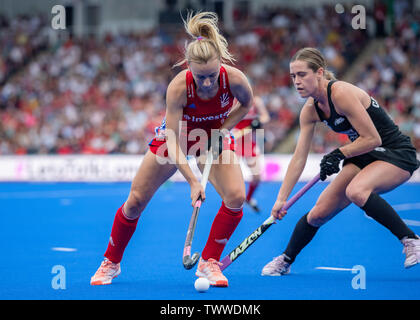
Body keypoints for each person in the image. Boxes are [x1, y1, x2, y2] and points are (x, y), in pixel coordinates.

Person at [90, 11, 253, 287]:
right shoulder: (179, 87)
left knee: (236, 196)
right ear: (188, 68)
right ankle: (111, 262)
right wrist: (192, 181)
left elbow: (246, 105)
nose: (207, 83)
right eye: (200, 77)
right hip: (177, 140)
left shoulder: (234, 79)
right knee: (135, 202)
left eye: (212, 75)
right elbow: (173, 141)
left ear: (220, 66)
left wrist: (223, 128)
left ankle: (209, 261)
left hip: (211, 138)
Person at [261, 47, 420, 276]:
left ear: (320, 73)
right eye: (293, 76)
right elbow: (299, 158)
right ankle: (285, 260)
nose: (296, 81)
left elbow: (373, 138)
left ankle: (411, 240)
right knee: (318, 213)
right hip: (364, 155)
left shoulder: (340, 93)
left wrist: (338, 154)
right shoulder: (310, 111)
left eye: (302, 74)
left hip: (395, 153)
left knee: (357, 190)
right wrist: (281, 199)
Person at [232, 95, 270, 212]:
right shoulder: (231, 101)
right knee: (233, 177)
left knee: (257, 177)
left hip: (250, 144)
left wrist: (258, 121)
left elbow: (265, 117)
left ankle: (248, 198)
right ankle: (231, 201)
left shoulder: (256, 101)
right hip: (235, 142)